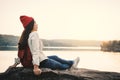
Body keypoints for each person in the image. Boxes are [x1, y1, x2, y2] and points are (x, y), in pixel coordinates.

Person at [10, 15, 80, 75]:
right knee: (60, 65)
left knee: (55, 57)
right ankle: (70, 66)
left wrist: (15, 64)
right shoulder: (34, 34)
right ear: (31, 25)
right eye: (35, 23)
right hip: (39, 62)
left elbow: (21, 53)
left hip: (35, 61)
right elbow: (35, 51)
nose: (37, 24)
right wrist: (36, 67)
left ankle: (72, 62)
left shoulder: (26, 36)